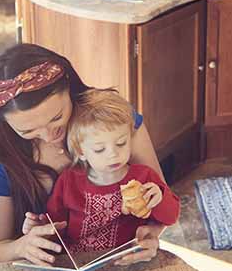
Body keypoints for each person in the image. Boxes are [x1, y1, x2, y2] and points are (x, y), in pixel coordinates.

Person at [0, 44, 168, 265]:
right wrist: (22, 246)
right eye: (27, 131)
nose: (48, 136)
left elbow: (160, 196)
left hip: (120, 260)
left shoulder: (111, 118)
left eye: (57, 118)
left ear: (70, 90)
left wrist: (150, 235)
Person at [46, 89, 180, 253]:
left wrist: (159, 196)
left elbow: (171, 216)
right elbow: (55, 226)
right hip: (79, 261)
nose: (113, 154)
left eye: (121, 143)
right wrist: (40, 226)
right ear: (81, 152)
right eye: (100, 149)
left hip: (126, 258)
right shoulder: (68, 181)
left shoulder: (144, 176)